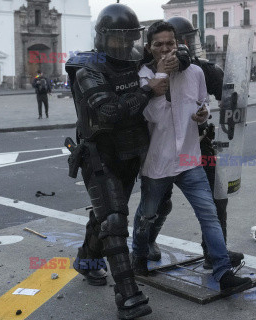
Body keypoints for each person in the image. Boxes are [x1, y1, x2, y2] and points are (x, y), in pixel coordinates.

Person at [64, 4, 177, 319]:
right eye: (117, 38)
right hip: (99, 152)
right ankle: (128, 295)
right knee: (113, 220)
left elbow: (173, 57)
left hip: (131, 152)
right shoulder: (88, 68)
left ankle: (86, 261)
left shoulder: (135, 60)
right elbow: (108, 113)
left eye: (128, 37)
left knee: (105, 216)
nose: (123, 44)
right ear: (103, 36)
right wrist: (149, 89)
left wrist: (178, 59)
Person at [131, 21, 252, 294]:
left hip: (189, 158)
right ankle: (137, 255)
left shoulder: (196, 72)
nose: (165, 50)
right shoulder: (144, 76)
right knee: (147, 214)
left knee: (208, 214)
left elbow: (203, 102)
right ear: (150, 47)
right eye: (159, 44)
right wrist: (161, 75)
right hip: (157, 161)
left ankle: (223, 273)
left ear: (179, 44)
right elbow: (154, 115)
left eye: (170, 44)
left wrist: (203, 114)